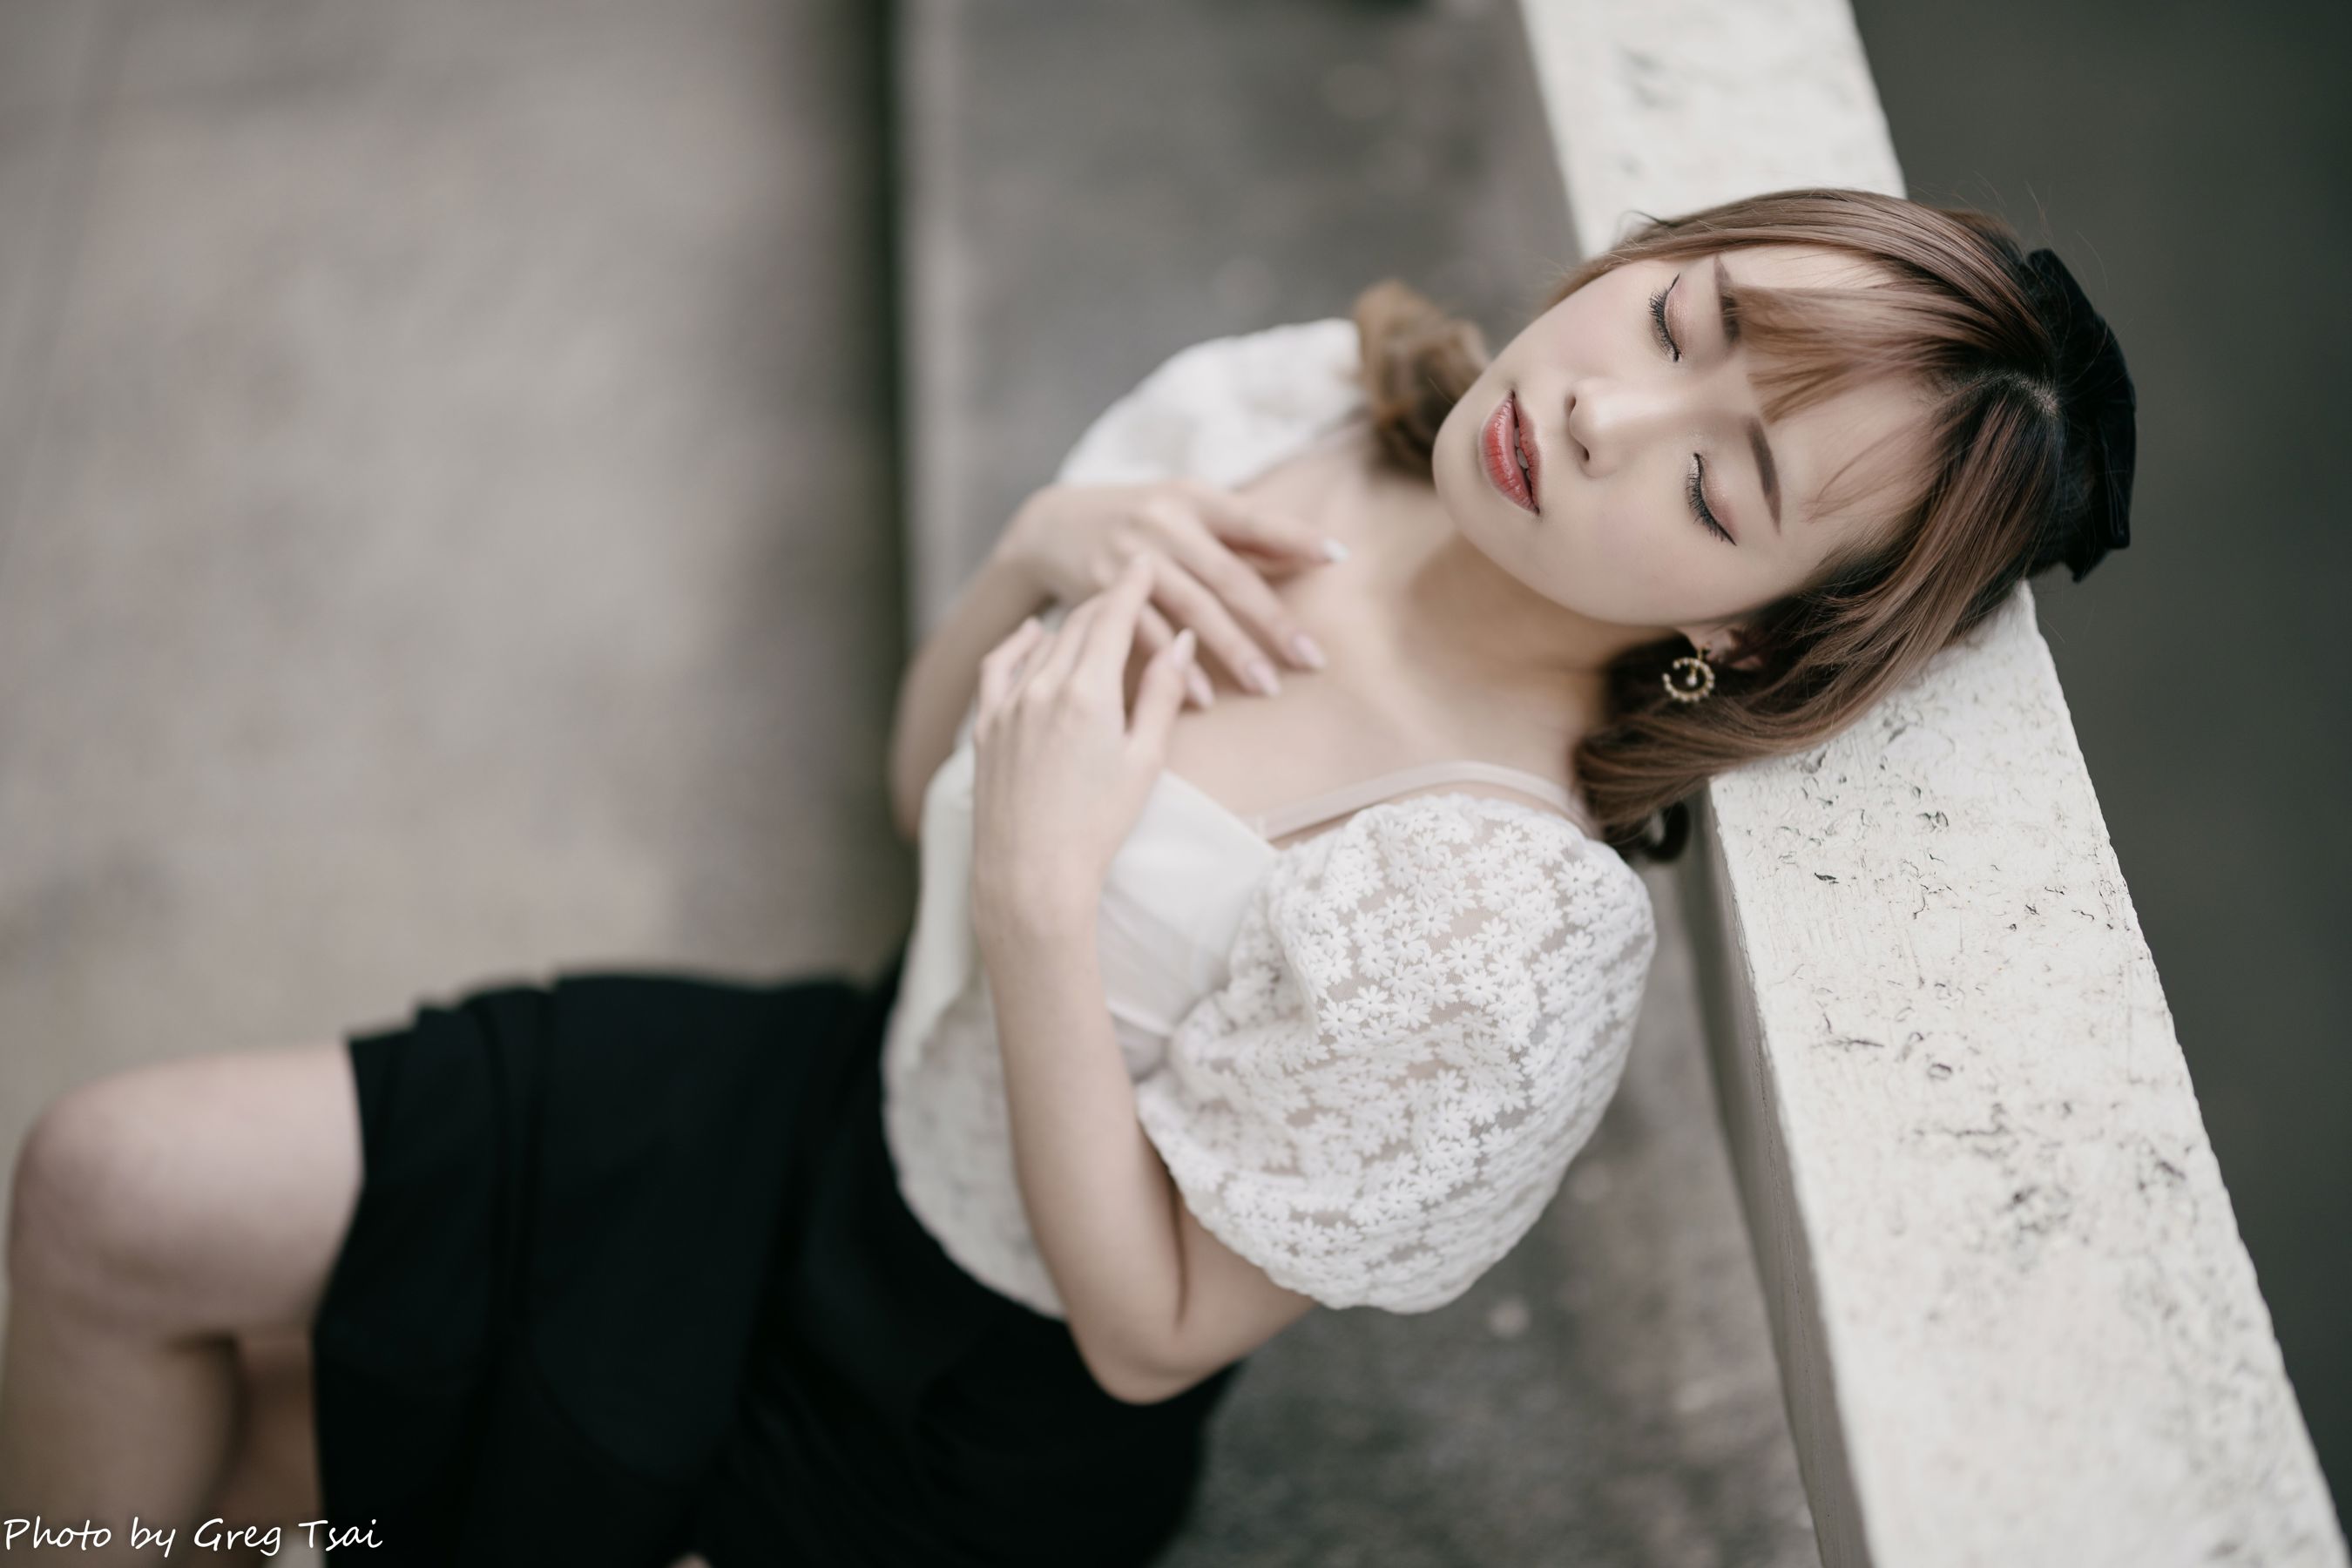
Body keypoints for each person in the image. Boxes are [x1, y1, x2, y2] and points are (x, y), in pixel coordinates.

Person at [0, 186, 2135, 1565]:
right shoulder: (1295, 407)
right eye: (1681, 317)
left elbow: (1149, 1333)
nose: (1603, 417)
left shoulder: (1507, 922)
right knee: (108, 1190)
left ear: (1750, 636)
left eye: (1722, 484)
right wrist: (1043, 549)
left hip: (955, 1409)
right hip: (829, 1100)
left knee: (288, 1475)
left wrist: (1044, 904)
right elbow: (918, 784)